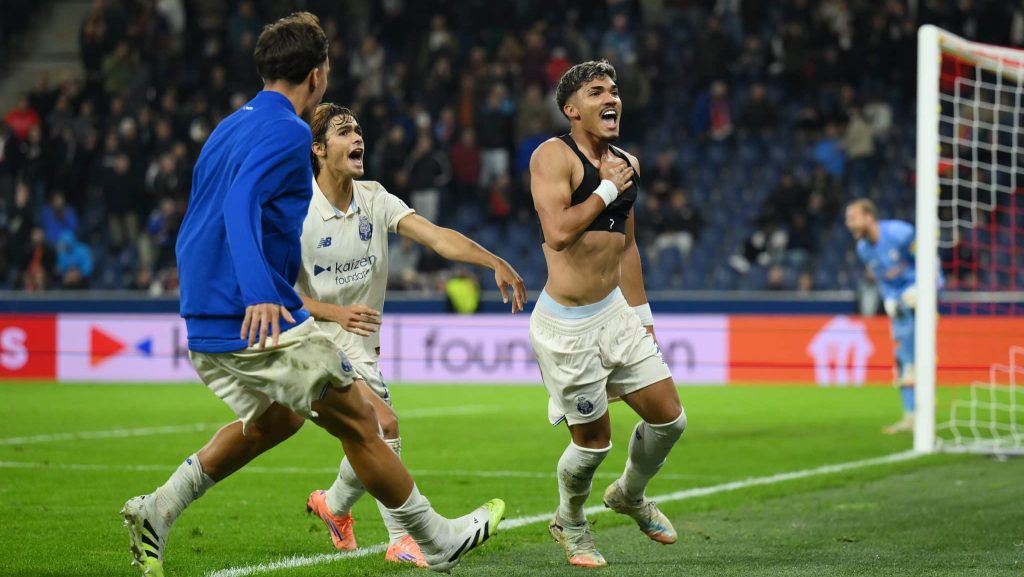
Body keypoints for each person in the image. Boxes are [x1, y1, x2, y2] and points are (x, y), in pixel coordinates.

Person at [120, 13, 503, 577]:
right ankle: (435, 539)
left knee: (279, 422)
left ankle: (158, 508)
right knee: (365, 423)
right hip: (253, 315)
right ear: (318, 74)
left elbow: (198, 219)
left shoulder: (228, 127)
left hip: (208, 315)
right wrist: (257, 294)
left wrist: (210, 298)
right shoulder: (290, 130)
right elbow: (237, 205)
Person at [297, 103, 527, 567]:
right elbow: (272, 293)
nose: (357, 136)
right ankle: (403, 539)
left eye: (359, 129)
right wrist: (333, 313)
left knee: (368, 436)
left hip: (360, 350)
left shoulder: (375, 198)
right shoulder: (297, 211)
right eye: (344, 131)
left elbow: (438, 236)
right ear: (319, 149)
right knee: (384, 425)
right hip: (309, 345)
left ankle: (334, 507)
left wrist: (493, 261)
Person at [527, 60, 687, 569]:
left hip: (615, 313)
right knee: (593, 444)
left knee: (670, 420)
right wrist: (606, 189)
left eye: (614, 90)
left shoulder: (626, 162)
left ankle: (628, 494)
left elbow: (628, 247)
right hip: (566, 326)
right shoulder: (553, 157)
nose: (611, 98)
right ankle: (569, 520)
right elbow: (557, 232)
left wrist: (642, 316)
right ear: (572, 109)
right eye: (597, 92)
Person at [846, 198, 926, 434]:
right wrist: (889, 298)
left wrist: (924, 286)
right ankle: (911, 416)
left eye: (853, 217)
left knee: (920, 354)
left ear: (869, 217)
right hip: (900, 299)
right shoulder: (863, 249)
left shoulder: (901, 233)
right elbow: (884, 278)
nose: (849, 224)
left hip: (922, 291)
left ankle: (924, 411)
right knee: (902, 357)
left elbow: (928, 260)